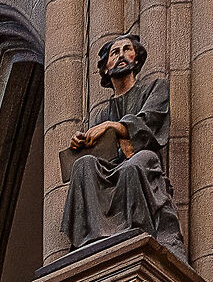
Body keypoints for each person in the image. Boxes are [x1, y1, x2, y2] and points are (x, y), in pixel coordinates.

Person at [59, 33, 184, 258]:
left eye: (127, 50)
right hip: (111, 168)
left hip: (143, 160)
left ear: (136, 59)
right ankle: (91, 238)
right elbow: (98, 153)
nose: (121, 56)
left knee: (132, 166)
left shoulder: (155, 88)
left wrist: (115, 126)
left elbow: (152, 123)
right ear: (106, 69)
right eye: (115, 53)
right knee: (84, 165)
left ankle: (138, 231)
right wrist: (81, 143)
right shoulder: (101, 113)